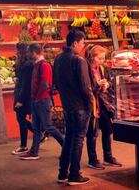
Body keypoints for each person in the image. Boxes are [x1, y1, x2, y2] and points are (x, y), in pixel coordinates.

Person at [53, 30, 93, 186]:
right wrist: (90, 104)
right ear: (75, 43)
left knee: (69, 138)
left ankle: (63, 173)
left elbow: (56, 83)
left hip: (67, 106)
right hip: (80, 107)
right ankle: (75, 174)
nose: (83, 47)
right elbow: (85, 86)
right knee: (78, 140)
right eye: (82, 43)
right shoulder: (79, 60)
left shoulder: (58, 59)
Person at [20, 43, 64, 160]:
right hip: (38, 100)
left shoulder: (43, 66)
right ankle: (34, 152)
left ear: (34, 52)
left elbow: (45, 84)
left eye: (29, 52)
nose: (27, 54)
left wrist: (37, 97)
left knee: (48, 126)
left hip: (42, 100)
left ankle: (66, 146)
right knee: (37, 127)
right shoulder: (37, 64)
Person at [84, 44, 122, 169]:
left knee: (107, 131)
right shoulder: (86, 69)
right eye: (99, 58)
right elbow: (86, 87)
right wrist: (97, 84)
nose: (102, 61)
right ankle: (92, 159)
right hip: (92, 105)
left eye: (103, 58)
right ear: (92, 57)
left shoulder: (104, 68)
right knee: (92, 134)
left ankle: (108, 157)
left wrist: (106, 84)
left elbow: (110, 81)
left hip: (104, 104)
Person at [11, 43, 39, 155]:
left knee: (20, 118)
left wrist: (20, 100)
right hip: (21, 93)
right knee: (20, 118)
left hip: (23, 95)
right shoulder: (24, 63)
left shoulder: (27, 65)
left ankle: (24, 145)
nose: (15, 52)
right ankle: (38, 133)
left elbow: (26, 84)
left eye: (16, 50)